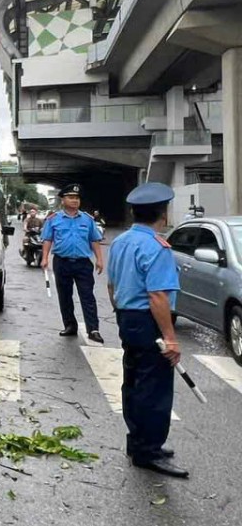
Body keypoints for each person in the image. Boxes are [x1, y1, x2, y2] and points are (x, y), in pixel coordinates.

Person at [106, 182, 186, 478]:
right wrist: (170, 338)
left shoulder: (121, 242)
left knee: (134, 382)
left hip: (128, 318)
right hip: (149, 320)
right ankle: (148, 451)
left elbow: (111, 287)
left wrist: (121, 315)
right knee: (155, 388)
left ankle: (137, 441)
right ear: (162, 214)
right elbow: (158, 296)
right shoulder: (157, 246)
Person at [41, 183, 105, 343]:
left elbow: (94, 240)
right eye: (70, 197)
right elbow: (47, 239)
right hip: (62, 263)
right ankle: (70, 325)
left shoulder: (87, 219)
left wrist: (100, 259)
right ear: (63, 200)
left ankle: (93, 329)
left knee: (87, 296)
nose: (75, 200)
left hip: (83, 263)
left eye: (77, 198)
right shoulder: (53, 219)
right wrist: (44, 258)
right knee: (65, 296)